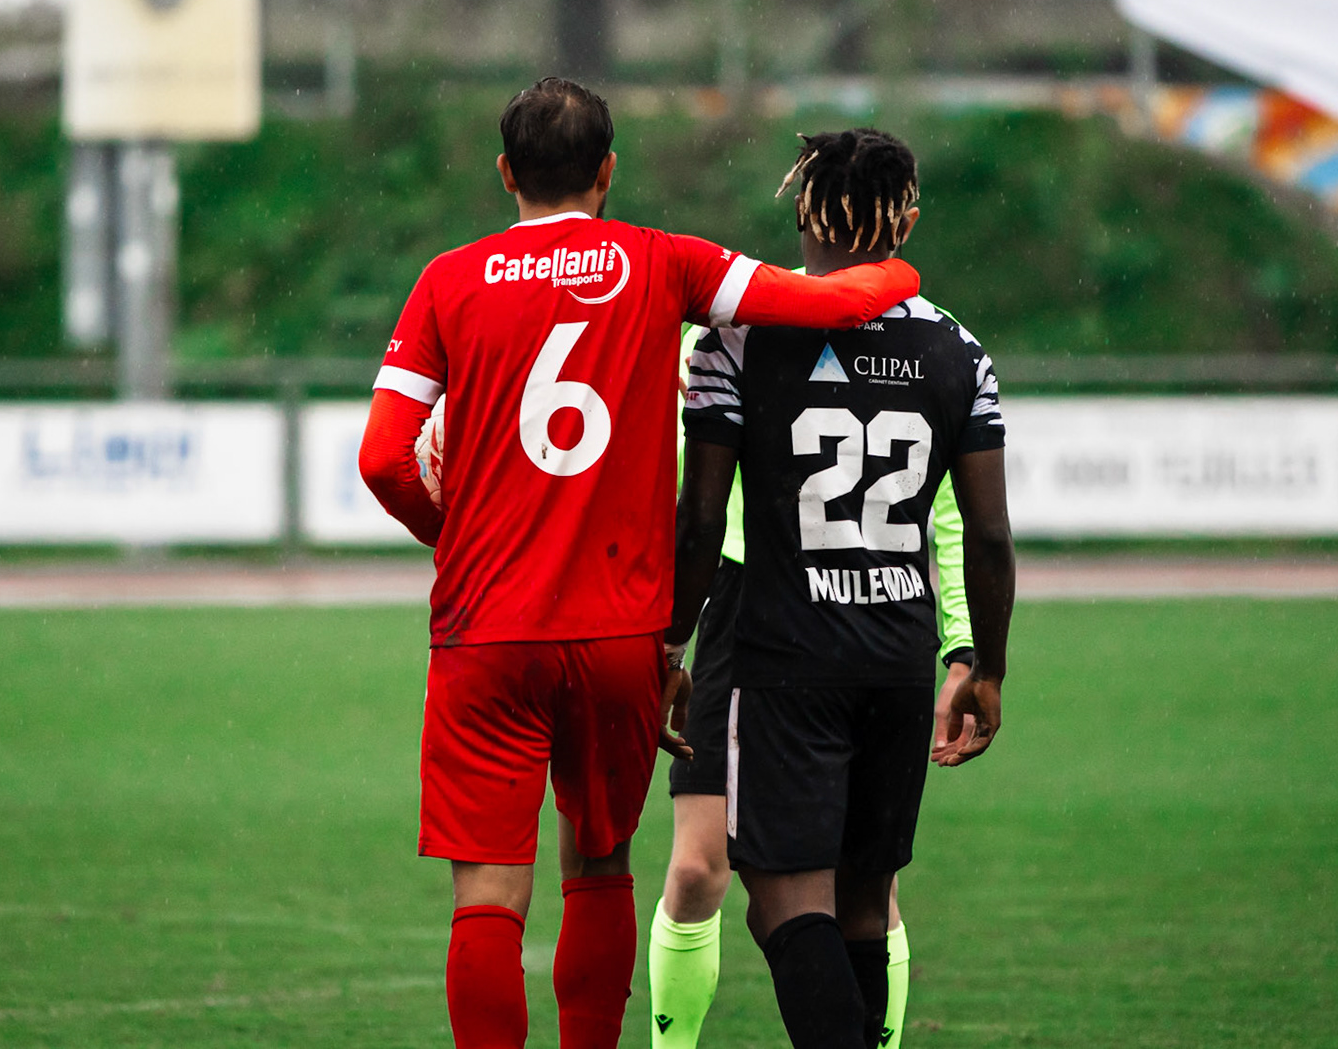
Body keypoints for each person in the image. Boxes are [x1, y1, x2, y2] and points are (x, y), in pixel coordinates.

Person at [357, 80, 924, 1049]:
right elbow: (822, 300)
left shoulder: (448, 280)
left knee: (489, 891)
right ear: (608, 171)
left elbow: (381, 455)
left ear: (506, 174)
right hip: (618, 631)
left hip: (485, 627)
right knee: (601, 861)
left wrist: (450, 534)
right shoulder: (662, 262)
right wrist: (899, 272)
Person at [666, 128, 1016, 1049]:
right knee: (866, 906)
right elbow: (987, 532)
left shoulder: (738, 339)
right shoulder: (958, 350)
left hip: (786, 659)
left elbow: (701, 520)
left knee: (783, 910)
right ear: (905, 217)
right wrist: (985, 663)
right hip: (899, 661)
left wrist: (668, 639)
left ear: (802, 212)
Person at [650, 338, 980, 1049]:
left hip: (851, 613)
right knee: (698, 867)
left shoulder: (929, 340)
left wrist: (964, 640)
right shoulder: (734, 335)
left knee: (859, 891)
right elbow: (679, 495)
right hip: (740, 602)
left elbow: (948, 511)